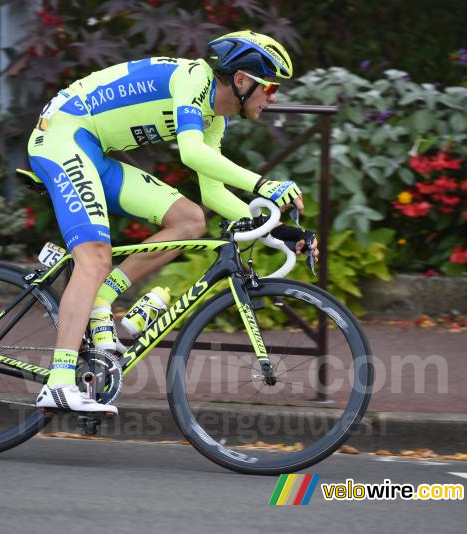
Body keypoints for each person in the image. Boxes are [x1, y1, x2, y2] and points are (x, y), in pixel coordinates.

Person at [28, 30, 317, 415]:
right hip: (64, 136)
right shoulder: (193, 80)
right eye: (270, 86)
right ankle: (59, 382)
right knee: (94, 258)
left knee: (189, 219)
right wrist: (264, 184)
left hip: (93, 149)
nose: (274, 97)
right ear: (243, 80)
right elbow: (192, 153)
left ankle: (103, 300)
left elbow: (213, 196)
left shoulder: (215, 117)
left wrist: (280, 230)